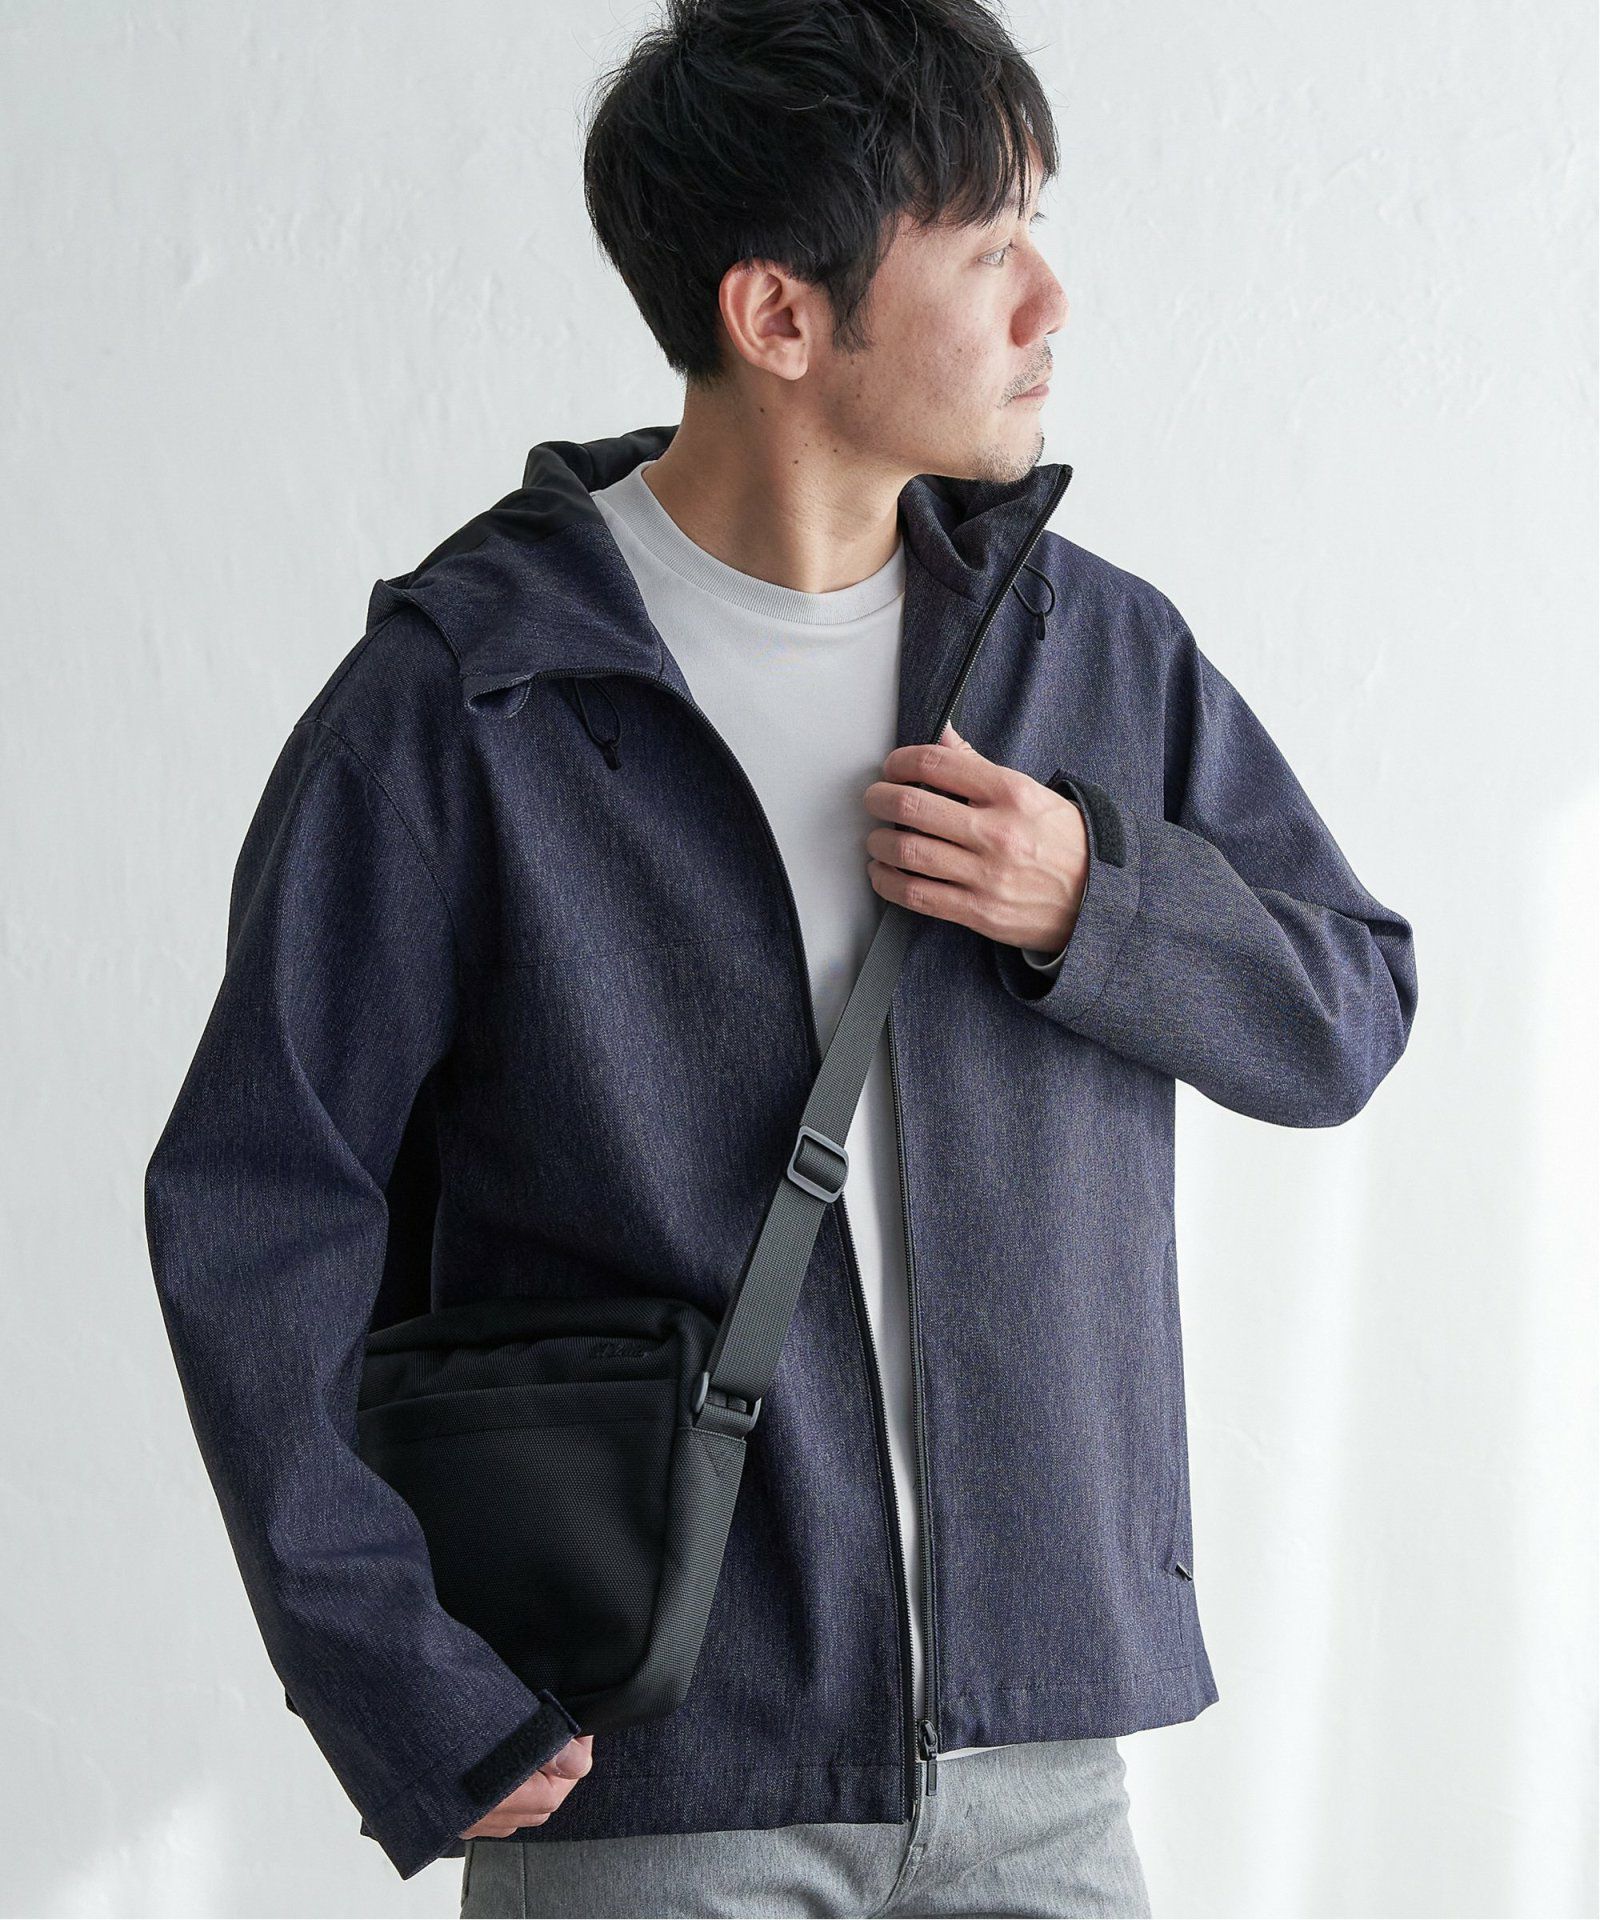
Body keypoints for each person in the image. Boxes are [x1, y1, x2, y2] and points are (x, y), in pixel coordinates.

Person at [142, 2, 1419, 1915]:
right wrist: (400, 1682)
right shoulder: (472, 696)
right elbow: (257, 1201)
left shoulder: (1080, 651)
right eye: (987, 247)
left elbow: (1349, 1012)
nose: (1050, 301)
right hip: (658, 1774)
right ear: (780, 317)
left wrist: (1097, 899)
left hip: (1043, 1775)